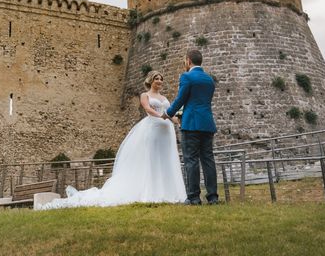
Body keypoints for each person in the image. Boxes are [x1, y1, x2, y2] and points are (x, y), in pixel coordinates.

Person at [40, 70, 186, 209]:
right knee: (153, 159)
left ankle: (168, 191)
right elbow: (148, 109)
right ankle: (152, 192)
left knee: (166, 159)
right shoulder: (145, 95)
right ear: (150, 81)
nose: (160, 81)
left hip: (166, 132)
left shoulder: (165, 98)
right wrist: (161, 116)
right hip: (153, 129)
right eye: (157, 79)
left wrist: (177, 121)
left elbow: (170, 113)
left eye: (161, 79)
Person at [162, 49, 218, 205]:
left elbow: (181, 99)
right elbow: (199, 101)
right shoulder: (209, 80)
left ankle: (193, 197)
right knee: (208, 160)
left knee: (191, 160)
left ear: (188, 61)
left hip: (191, 124)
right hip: (207, 123)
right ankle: (213, 197)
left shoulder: (186, 77)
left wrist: (168, 112)